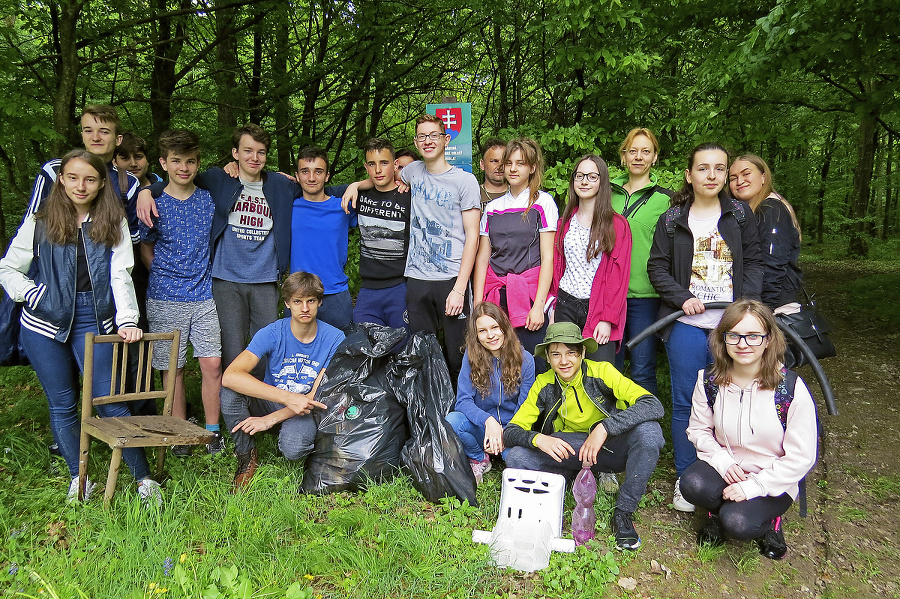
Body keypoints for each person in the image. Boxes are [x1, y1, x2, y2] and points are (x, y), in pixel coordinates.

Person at [0, 150, 161, 505]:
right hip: (43, 321)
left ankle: (144, 479)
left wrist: (127, 320)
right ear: (61, 180)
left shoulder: (112, 220)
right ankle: (79, 477)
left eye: (89, 178)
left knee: (110, 403)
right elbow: (8, 268)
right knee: (62, 404)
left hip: (95, 319)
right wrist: (32, 292)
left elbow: (121, 274)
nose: (80, 185)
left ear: (102, 183)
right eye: (72, 177)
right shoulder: (41, 220)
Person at [647, 142, 763, 512]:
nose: (711, 175)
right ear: (689, 174)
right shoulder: (673, 219)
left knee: (734, 399)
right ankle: (687, 477)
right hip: (686, 326)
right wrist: (682, 296)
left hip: (733, 330)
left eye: (718, 168)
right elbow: (656, 268)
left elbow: (757, 263)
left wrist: (744, 309)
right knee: (686, 402)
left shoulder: (740, 215)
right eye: (703, 168)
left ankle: (738, 472)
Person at [503, 322, 665, 551]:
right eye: (556, 354)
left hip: (607, 448)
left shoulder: (602, 372)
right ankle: (565, 480)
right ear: (548, 358)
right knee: (518, 457)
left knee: (650, 432)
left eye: (571, 353)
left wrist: (605, 428)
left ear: (583, 353)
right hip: (569, 448)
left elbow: (653, 405)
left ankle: (623, 513)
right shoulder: (544, 382)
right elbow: (511, 431)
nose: (564, 361)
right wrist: (540, 439)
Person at [344, 114, 480, 383]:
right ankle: (429, 414)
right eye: (421, 136)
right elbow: (380, 178)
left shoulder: (465, 181)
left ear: (446, 139)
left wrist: (459, 289)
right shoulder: (412, 171)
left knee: (458, 354)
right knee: (423, 354)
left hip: (451, 279)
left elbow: (473, 236)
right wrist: (355, 185)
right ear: (416, 142)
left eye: (433, 135)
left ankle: (461, 412)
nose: (427, 141)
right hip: (417, 279)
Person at [681, 299, 817, 559]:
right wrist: (721, 460)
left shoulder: (789, 388)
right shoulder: (708, 381)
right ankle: (716, 513)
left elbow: (802, 456)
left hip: (772, 475)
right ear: (723, 340)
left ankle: (769, 523)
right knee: (693, 484)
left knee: (738, 523)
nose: (743, 344)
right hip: (729, 466)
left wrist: (754, 486)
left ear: (768, 340)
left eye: (753, 336)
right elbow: (698, 430)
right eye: (734, 336)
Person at [138, 130, 223, 455]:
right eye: (176, 161)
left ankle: (212, 432)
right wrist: (162, 274)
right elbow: (146, 247)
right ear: (164, 162)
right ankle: (180, 431)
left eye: (190, 161)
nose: (183, 167)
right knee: (172, 368)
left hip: (203, 295)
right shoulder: (154, 202)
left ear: (197, 163)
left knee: (212, 363)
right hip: (164, 297)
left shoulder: (208, 199)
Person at [221, 272, 345, 490]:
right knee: (230, 393)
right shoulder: (272, 332)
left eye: (310, 301)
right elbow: (230, 376)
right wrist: (286, 398)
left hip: (306, 409)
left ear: (320, 302)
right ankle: (246, 457)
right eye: (297, 301)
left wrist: (271, 419)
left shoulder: (334, 338)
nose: (304, 308)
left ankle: (292, 436)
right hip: (275, 398)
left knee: (293, 450)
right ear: (287, 303)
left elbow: (315, 395)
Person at [473, 138, 558, 365]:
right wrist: (478, 305)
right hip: (497, 295)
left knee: (533, 362)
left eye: (520, 163)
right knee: (498, 363)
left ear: (531, 168)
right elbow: (483, 259)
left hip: (529, 294)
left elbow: (548, 258)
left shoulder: (544, 203)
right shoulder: (492, 208)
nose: (512, 169)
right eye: (508, 163)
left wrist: (539, 306)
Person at [550, 155, 632, 364]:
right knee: (565, 370)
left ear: (602, 182)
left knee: (599, 377)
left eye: (592, 176)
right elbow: (557, 268)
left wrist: (607, 319)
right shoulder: (564, 222)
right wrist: (552, 308)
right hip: (565, 304)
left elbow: (619, 277)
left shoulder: (617, 225)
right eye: (579, 176)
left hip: (598, 310)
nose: (584, 181)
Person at [611, 129, 673, 396]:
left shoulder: (666, 199)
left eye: (645, 151)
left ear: (655, 157)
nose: (638, 157)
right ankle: (607, 430)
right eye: (632, 150)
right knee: (606, 366)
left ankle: (647, 433)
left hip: (644, 296)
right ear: (624, 156)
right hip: (608, 295)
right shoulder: (605, 192)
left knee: (642, 368)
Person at [446, 302, 536, 483]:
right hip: (483, 429)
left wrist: (506, 432)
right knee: (453, 421)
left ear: (504, 327)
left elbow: (526, 407)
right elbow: (463, 401)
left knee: (519, 460)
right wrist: (488, 421)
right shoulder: (471, 356)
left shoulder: (525, 360)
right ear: (476, 335)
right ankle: (479, 458)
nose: (490, 335)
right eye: (482, 331)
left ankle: (503, 454)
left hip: (512, 430)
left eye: (494, 327)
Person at [729, 154, 803, 312]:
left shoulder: (770, 209)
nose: (739, 181)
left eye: (746, 173)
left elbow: (772, 265)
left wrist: (763, 312)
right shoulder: (750, 212)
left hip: (775, 308)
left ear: (763, 177)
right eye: (733, 178)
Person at [352, 138, 411, 331]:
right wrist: (354, 185)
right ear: (366, 167)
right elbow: (317, 191)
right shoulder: (359, 196)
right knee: (366, 351)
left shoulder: (409, 196)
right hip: (368, 290)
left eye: (384, 163)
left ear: (395, 165)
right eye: (372, 164)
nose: (378, 170)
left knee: (402, 350)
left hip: (399, 288)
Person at [478, 137, 508, 206]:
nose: (500, 166)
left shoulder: (519, 195)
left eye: (505, 161)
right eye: (494, 161)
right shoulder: (472, 195)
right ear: (482, 164)